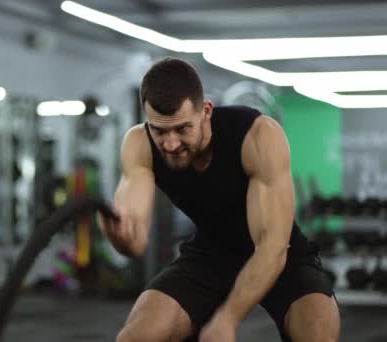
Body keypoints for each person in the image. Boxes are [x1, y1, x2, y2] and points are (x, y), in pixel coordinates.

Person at [97, 57, 340, 342]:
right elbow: (135, 243)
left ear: (206, 111)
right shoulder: (139, 143)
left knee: (318, 335)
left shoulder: (258, 135)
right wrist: (121, 238)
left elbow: (272, 247)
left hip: (280, 254)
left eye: (182, 129)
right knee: (136, 338)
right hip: (209, 255)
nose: (171, 144)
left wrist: (228, 318)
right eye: (159, 130)